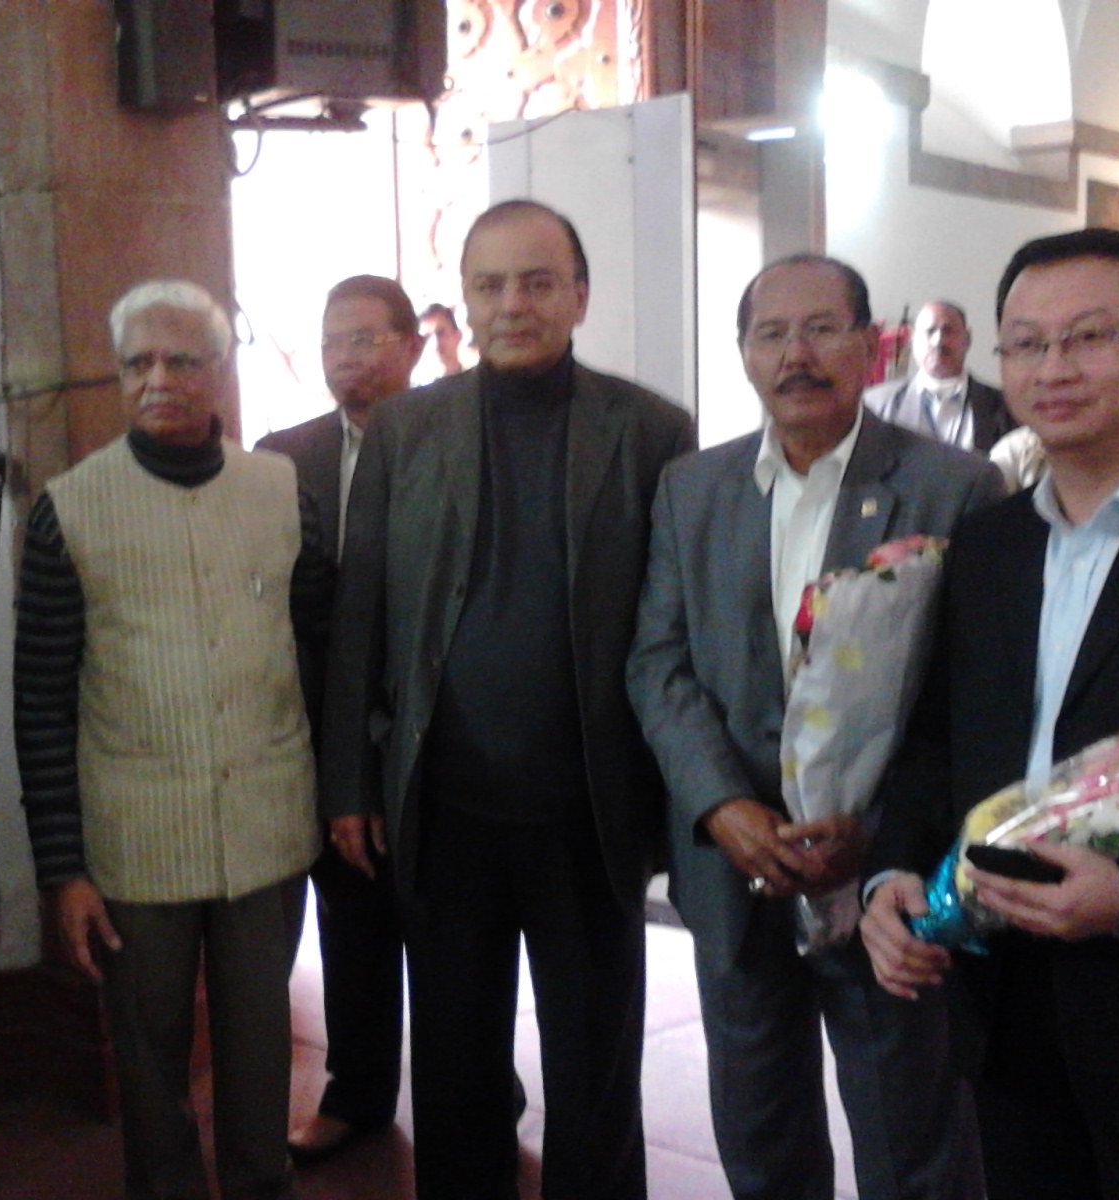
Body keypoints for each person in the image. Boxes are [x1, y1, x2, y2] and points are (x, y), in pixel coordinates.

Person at [323, 199, 693, 1200]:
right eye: (490, 284)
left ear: (579, 294)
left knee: (594, 1065)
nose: (513, 303)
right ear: (466, 303)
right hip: (441, 813)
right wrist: (350, 782)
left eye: (537, 281)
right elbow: (362, 612)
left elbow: (677, 629)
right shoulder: (407, 427)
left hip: (588, 813)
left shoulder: (652, 430)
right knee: (451, 1063)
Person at [626, 254, 999, 1200]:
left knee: (911, 1137)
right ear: (745, 355)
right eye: (770, 334)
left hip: (877, 875)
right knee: (759, 1136)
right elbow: (658, 664)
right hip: (732, 872)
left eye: (822, 328)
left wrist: (878, 834)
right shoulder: (691, 489)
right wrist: (722, 808)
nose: (796, 354)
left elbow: (970, 698)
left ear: (874, 348)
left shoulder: (954, 489)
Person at [861, 228, 1119, 1200]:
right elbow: (936, 743)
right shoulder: (991, 544)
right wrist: (889, 873)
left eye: (1088, 337)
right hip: (1003, 998)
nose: (1053, 369)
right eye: (1027, 344)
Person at [14, 279, 332, 1200]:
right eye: (137, 363)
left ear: (221, 370)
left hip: (269, 828)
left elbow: (317, 640)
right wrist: (63, 868)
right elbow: (40, 699)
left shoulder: (281, 491)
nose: (158, 379)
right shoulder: (68, 509)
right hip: (134, 841)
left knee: (260, 1047)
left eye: (182, 359)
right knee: (150, 1063)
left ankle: (258, 1184)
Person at [256, 275, 423, 1163]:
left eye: (363, 339)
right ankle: (357, 1096)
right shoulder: (283, 454)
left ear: (413, 347)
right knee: (351, 932)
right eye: (331, 343)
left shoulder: (455, 438)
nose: (344, 359)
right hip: (326, 733)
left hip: (439, 737)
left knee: (453, 937)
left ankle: (485, 1092)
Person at [865, 300, 1017, 453]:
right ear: (913, 339)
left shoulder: (1007, 408)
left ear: (967, 339)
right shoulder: (875, 405)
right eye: (930, 331)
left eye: (948, 331)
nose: (938, 341)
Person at [419, 302, 466, 377]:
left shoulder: (477, 382)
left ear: (457, 336)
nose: (433, 343)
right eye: (426, 337)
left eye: (440, 333)